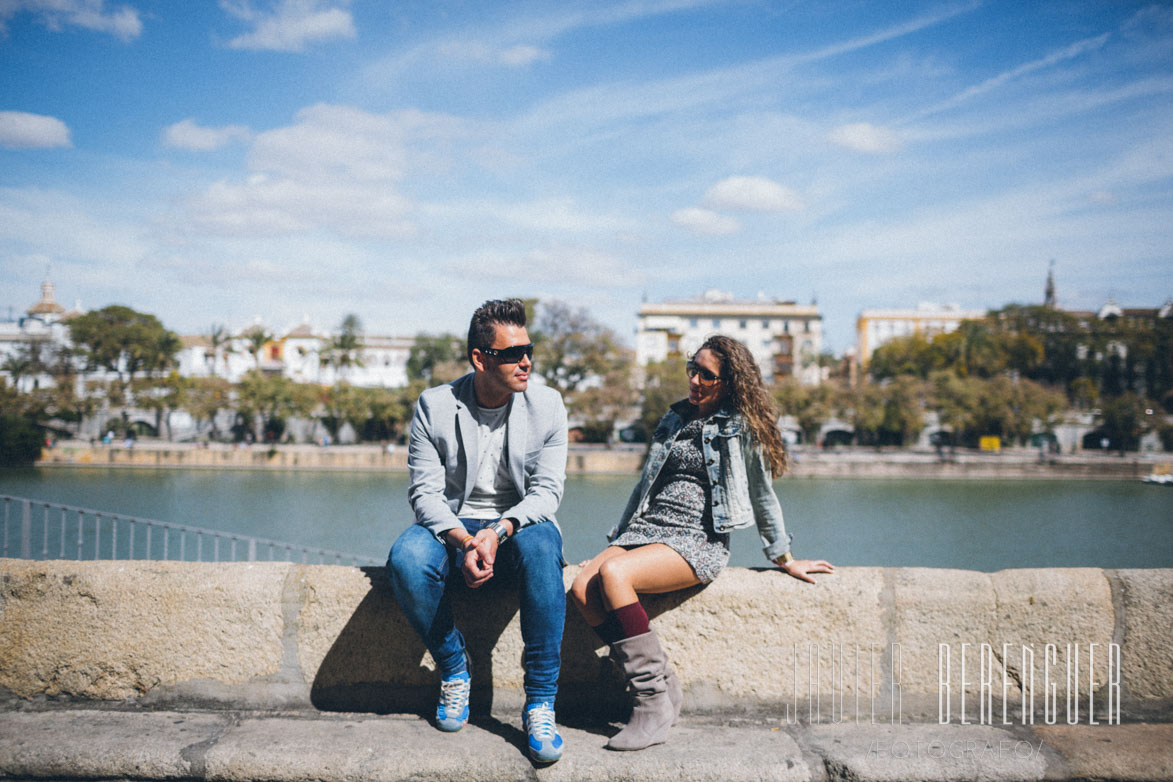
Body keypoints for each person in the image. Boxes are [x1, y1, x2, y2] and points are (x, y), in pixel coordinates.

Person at [570, 334, 834, 751]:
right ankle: (664, 683)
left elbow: (763, 494)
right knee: (584, 588)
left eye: (705, 375)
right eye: (691, 369)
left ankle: (651, 701)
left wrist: (783, 556)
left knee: (614, 575)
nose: (693, 379)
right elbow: (644, 486)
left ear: (728, 382)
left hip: (697, 537)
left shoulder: (738, 427)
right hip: (647, 527)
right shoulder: (674, 417)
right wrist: (617, 541)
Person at [386, 299, 569, 764]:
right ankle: (454, 669)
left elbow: (547, 494)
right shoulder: (435, 404)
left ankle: (541, 701)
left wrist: (500, 530)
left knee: (546, 545)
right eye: (512, 353)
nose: (525, 361)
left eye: (529, 349)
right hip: (453, 525)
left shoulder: (547, 405)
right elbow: (424, 495)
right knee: (406, 558)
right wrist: (466, 540)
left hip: (517, 524)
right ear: (480, 358)